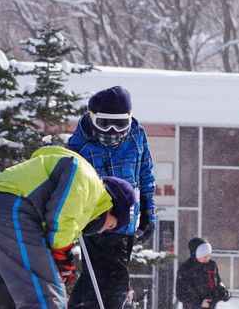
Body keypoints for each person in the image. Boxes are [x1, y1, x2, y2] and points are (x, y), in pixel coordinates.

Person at [0, 144, 135, 309]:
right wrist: (61, 253)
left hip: (9, 207)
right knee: (45, 295)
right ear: (111, 206)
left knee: (8, 292)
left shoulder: (85, 201)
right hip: (14, 206)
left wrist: (59, 256)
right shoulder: (88, 180)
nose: (101, 230)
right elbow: (60, 216)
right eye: (111, 225)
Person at [65, 85, 157, 309]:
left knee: (103, 277)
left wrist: (148, 211)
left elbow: (145, 173)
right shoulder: (80, 144)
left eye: (120, 123)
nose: (113, 131)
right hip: (97, 220)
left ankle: (87, 304)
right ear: (92, 118)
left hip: (127, 221)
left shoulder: (137, 135)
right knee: (112, 277)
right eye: (105, 123)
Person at [175, 238, 231, 308]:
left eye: (208, 255)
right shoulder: (186, 268)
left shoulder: (212, 265)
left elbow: (218, 282)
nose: (207, 258)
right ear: (195, 254)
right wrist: (199, 303)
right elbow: (181, 294)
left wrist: (223, 292)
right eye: (203, 255)